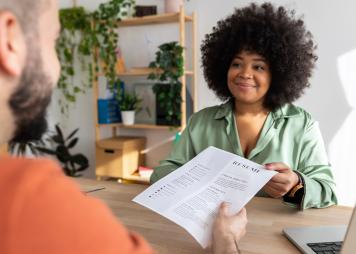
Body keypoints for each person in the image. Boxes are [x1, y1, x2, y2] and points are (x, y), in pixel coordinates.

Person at [0, 0, 247, 253]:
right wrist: (226, 241)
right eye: (53, 42)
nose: (59, 68)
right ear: (10, 39)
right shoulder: (28, 199)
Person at [151, 2, 338, 210]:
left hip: (273, 235)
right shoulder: (200, 122)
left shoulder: (302, 125)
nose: (244, 73)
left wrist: (296, 184)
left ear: (278, 73)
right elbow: (162, 172)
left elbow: (327, 189)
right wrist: (194, 179)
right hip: (211, 231)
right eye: (237, 64)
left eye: (258, 66)